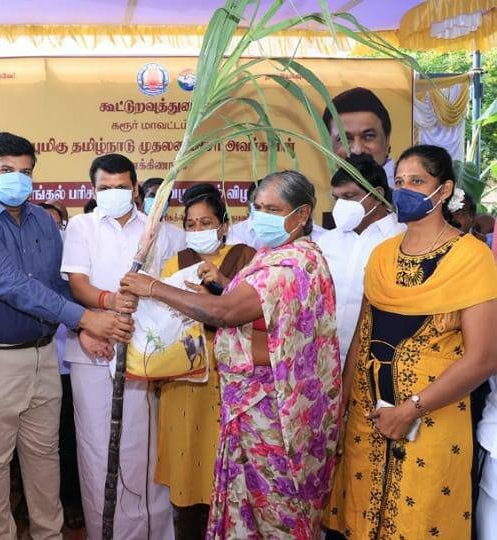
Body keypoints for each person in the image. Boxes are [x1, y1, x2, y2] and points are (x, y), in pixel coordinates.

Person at [121, 170, 341, 539]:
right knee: (253, 505)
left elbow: (226, 313)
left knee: (275, 508)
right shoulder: (286, 257)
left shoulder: (288, 265)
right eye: (257, 207)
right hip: (263, 403)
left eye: (273, 208)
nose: (261, 216)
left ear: (302, 215)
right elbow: (255, 307)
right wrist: (224, 285)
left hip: (272, 411)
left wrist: (153, 287)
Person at [0, 133, 130, 540]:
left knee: (44, 457)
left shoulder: (42, 219)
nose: (17, 179)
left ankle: (49, 534)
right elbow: (10, 285)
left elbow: (54, 284)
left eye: (25, 172)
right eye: (7, 171)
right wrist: (87, 319)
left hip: (44, 355)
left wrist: (82, 326)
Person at [325, 145, 497, 539]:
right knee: (362, 519)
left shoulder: (471, 257)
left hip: (432, 419)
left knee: (420, 524)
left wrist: (411, 409)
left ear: (444, 190)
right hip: (367, 420)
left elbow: (484, 357)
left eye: (417, 181)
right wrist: (342, 407)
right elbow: (362, 341)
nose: (405, 190)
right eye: (399, 182)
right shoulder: (382, 255)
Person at [61, 153, 176, 540]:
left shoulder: (159, 231)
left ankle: (155, 533)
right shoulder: (81, 227)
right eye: (104, 188)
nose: (113, 194)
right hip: (94, 351)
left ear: (136, 188)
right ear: (93, 190)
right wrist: (108, 305)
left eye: (121, 187)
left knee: (147, 450)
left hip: (150, 354)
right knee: (98, 451)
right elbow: (77, 284)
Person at [154, 183, 255, 539]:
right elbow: (161, 318)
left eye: (206, 222)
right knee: (187, 468)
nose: (198, 230)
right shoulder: (175, 262)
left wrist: (221, 284)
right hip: (183, 377)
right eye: (191, 224)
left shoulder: (248, 257)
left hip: (231, 379)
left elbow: (256, 314)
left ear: (224, 224)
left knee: (227, 469)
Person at [317, 154, 405, 369]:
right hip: (326, 360)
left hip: (382, 361)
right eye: (337, 198)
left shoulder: (403, 239)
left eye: (349, 196)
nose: (341, 205)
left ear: (377, 194)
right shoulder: (326, 241)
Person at [39, 200, 84, 530]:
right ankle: (33, 504)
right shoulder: (27, 267)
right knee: (37, 446)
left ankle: (70, 502)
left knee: (67, 441)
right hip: (37, 363)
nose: (53, 230)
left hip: (68, 368)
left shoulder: (75, 270)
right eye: (46, 224)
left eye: (59, 223)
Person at [323, 87, 396, 187]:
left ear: (387, 140)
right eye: (345, 139)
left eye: (368, 136)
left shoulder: (404, 197)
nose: (357, 150)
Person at [141, 177, 186, 255]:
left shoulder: (179, 236)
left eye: (163, 197)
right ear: (143, 199)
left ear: (167, 204)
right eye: (152, 196)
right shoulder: (129, 229)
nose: (157, 201)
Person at [226, 181, 261, 248]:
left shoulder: (282, 230)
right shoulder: (235, 232)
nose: (263, 211)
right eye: (258, 206)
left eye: (270, 207)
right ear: (248, 205)